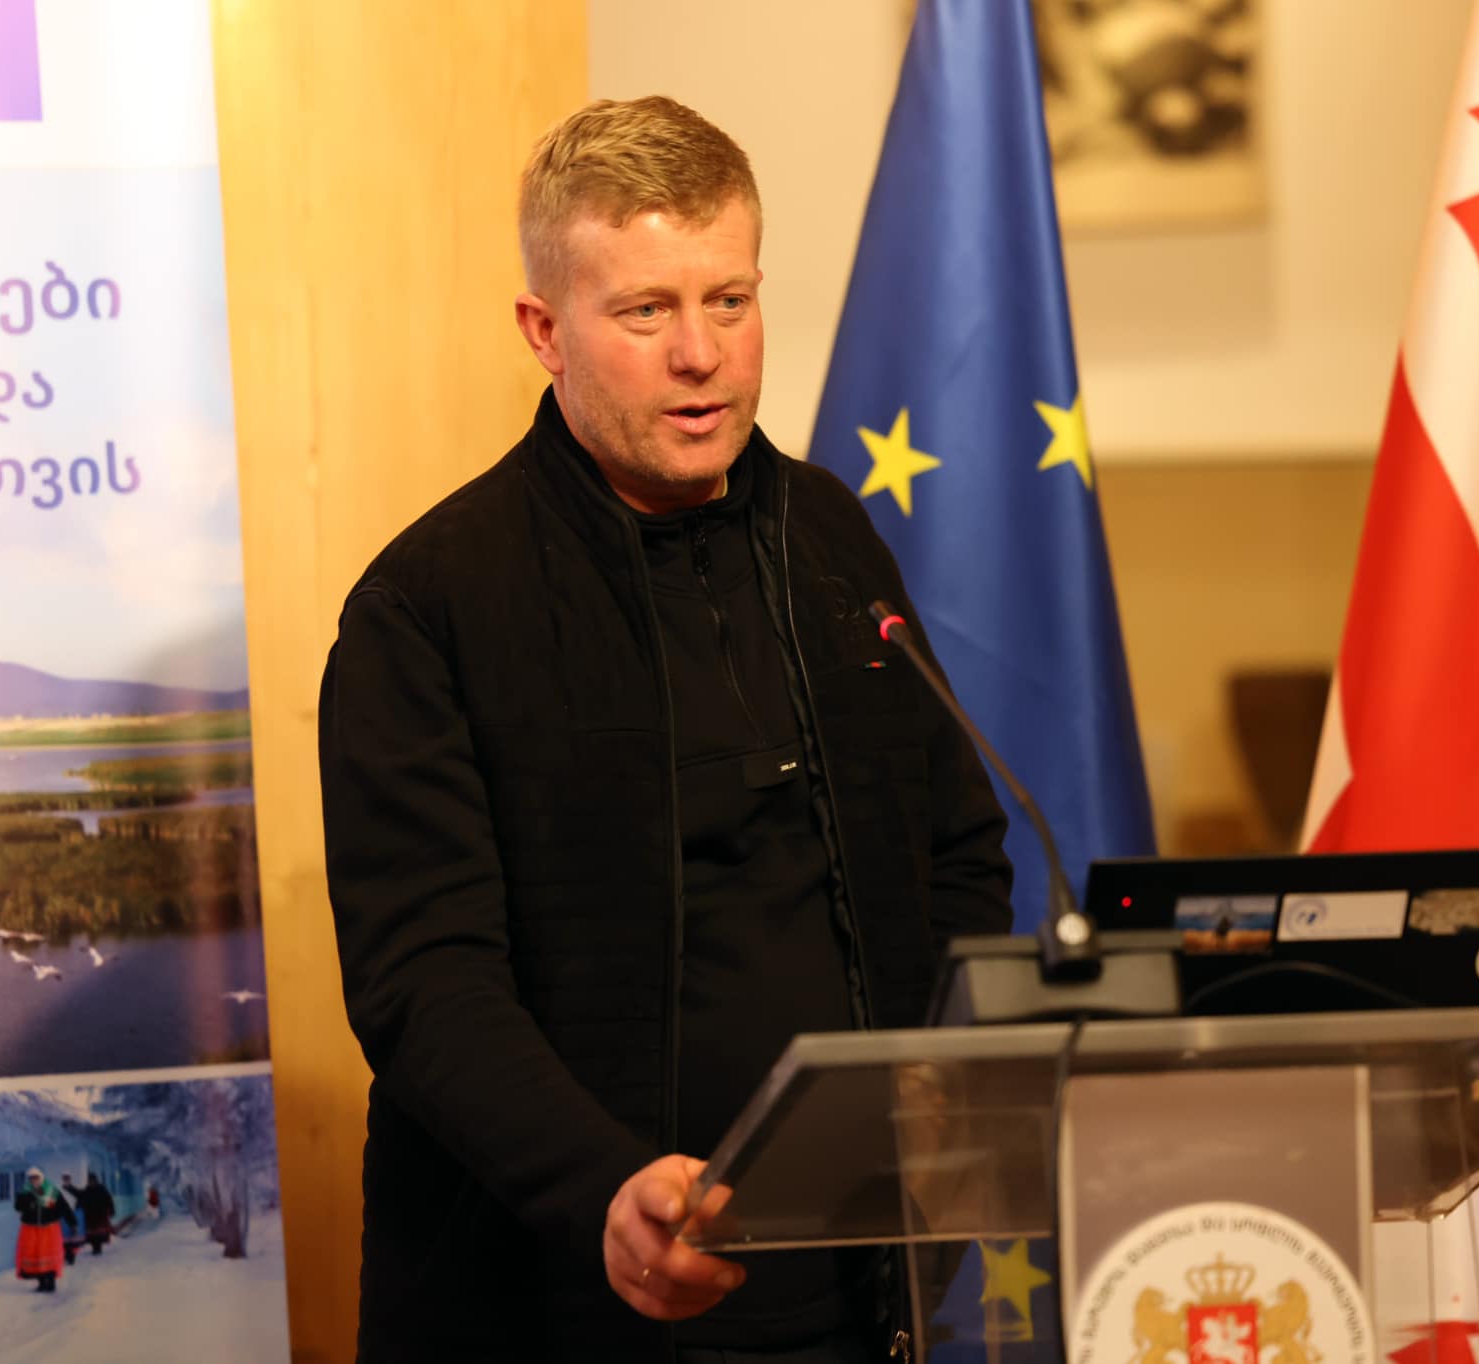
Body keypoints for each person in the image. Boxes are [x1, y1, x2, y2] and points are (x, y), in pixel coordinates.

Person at [319, 96, 1012, 1361]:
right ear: (545, 331)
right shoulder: (428, 605)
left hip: (850, 1285)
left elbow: (958, 852)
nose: (701, 354)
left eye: (728, 300)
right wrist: (605, 1188)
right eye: (645, 311)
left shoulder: (827, 535)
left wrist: (926, 1093)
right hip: (557, 1294)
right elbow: (424, 982)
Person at [13, 1166, 75, 1292]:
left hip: (49, 1228)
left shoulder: (52, 1191)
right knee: (36, 1255)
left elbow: (64, 1207)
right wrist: (28, 1202)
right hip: (31, 1228)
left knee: (49, 1254)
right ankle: (41, 1282)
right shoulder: (25, 1192)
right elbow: (18, 1207)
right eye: (31, 1178)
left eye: (36, 1177)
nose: (33, 1180)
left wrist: (72, 1222)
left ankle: (51, 1283)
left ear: (41, 1177)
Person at [79, 1172, 116, 1254]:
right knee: (92, 1234)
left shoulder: (101, 1189)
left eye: (92, 1181)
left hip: (100, 1215)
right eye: (90, 1181)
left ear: (95, 1181)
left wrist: (112, 1210)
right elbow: (81, 1197)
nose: (91, 1182)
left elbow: (109, 1200)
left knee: (99, 1233)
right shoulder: (87, 1190)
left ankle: (98, 1248)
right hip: (90, 1215)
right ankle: (94, 1248)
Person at [59, 1173, 85, 1265]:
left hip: (73, 1215)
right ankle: (66, 1255)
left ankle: (71, 1257)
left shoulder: (73, 1189)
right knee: (64, 1238)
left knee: (73, 1238)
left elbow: (79, 1198)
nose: (66, 1180)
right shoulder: (59, 1189)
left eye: (67, 1178)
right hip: (63, 1217)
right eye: (64, 1178)